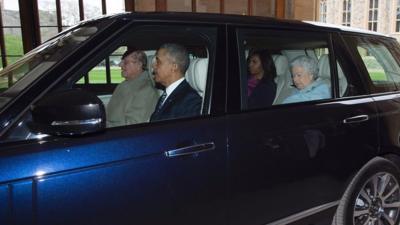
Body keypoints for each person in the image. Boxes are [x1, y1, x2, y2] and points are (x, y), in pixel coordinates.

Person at [106, 48, 159, 127]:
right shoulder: (125, 84)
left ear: (139, 65)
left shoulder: (146, 91)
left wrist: (103, 126)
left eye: (126, 62)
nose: (120, 64)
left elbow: (132, 126)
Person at [150, 43, 202, 122]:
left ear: (174, 67)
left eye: (158, 62)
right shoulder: (165, 95)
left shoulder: (190, 101)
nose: (154, 66)